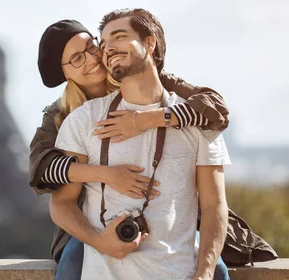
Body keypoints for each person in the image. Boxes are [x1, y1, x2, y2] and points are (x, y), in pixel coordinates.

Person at [29, 19, 230, 280]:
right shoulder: (62, 115)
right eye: (77, 58)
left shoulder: (144, 77)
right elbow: (43, 170)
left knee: (218, 269)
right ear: (64, 73)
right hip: (88, 219)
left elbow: (214, 107)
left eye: (92, 47)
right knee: (71, 262)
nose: (91, 59)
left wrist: (145, 120)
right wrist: (106, 174)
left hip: (170, 226)